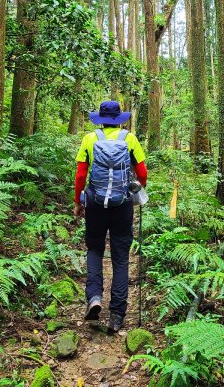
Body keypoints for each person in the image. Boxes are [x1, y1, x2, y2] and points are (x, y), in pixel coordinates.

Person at [74, 100, 148, 333]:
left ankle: (94, 297)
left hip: (95, 203)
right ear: (119, 118)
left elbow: (80, 175)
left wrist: (78, 202)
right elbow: (143, 172)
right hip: (122, 204)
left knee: (95, 249)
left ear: (100, 119)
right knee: (120, 258)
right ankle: (116, 314)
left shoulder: (89, 139)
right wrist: (134, 192)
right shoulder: (129, 139)